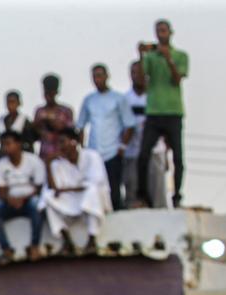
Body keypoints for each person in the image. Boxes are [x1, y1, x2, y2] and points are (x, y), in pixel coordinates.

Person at [137, 19, 188, 208]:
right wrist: (142, 56)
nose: (161, 34)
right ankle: (142, 196)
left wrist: (168, 59)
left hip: (173, 112)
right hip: (154, 112)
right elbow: (141, 81)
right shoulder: (151, 57)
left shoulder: (180, 55)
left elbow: (177, 79)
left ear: (170, 33)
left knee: (178, 158)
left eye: (164, 30)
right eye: (158, 31)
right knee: (143, 155)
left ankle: (177, 196)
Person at [41, 129, 112, 256]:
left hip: (92, 198)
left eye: (63, 142)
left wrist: (66, 190)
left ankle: (92, 240)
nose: (60, 146)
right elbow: (54, 189)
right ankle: (67, 241)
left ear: (74, 142)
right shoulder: (58, 163)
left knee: (92, 191)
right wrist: (48, 165)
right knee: (47, 198)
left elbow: (95, 181)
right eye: (58, 143)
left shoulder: (91, 156)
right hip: (71, 199)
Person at [76, 64, 136, 210]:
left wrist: (122, 146)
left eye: (99, 76)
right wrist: (83, 149)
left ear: (107, 76)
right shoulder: (89, 100)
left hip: (113, 151)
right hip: (94, 151)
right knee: (94, 186)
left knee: (114, 188)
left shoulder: (118, 98)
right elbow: (80, 125)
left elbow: (130, 124)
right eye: (94, 77)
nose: (97, 80)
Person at [0, 131, 46, 264]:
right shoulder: (1, 164)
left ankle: (34, 247)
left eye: (8, 144)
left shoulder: (33, 161)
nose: (5, 148)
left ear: (19, 144)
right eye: (3, 145)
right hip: (10, 202)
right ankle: (6, 250)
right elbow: (1, 191)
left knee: (37, 205)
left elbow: (39, 188)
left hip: (29, 200)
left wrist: (23, 199)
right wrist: (10, 200)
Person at [123, 60, 168, 209]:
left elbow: (166, 128)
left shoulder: (157, 98)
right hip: (132, 153)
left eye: (141, 73)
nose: (138, 76)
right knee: (133, 194)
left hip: (154, 152)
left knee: (157, 194)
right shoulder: (125, 99)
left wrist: (167, 155)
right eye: (134, 73)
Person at [33, 74, 74, 162]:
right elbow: (35, 134)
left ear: (56, 92)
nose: (48, 96)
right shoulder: (39, 111)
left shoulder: (65, 111)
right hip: (44, 156)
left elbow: (71, 133)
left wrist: (54, 124)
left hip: (62, 157)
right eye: (46, 93)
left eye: (51, 93)